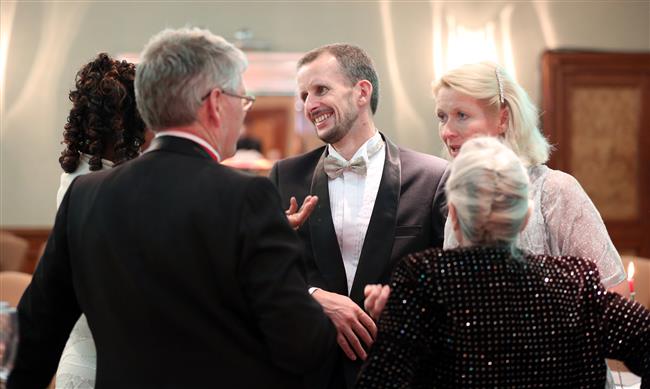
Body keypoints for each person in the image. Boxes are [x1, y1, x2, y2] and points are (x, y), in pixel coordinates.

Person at [8, 27, 334, 389]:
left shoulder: (85, 196)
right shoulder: (248, 198)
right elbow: (302, 344)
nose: (243, 114)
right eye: (242, 100)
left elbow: (33, 339)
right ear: (214, 103)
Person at [357, 136, 649, 388]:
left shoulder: (424, 280)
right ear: (524, 217)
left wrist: (398, 319)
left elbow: (382, 381)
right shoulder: (575, 283)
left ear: (455, 216)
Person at [269, 43, 448, 389]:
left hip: (401, 372)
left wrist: (400, 307)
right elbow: (263, 272)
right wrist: (313, 295)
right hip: (311, 373)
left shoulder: (433, 177)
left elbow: (449, 282)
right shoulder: (284, 176)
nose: (309, 105)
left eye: (321, 90)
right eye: (304, 95)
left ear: (361, 92)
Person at [433, 61, 626, 291]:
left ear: (503, 119)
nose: (446, 132)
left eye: (462, 115)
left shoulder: (554, 190)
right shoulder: (459, 196)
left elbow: (615, 289)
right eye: (442, 117)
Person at [53, 52, 148, 389]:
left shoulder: (76, 172)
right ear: (132, 119)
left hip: (79, 352)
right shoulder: (110, 185)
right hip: (110, 361)